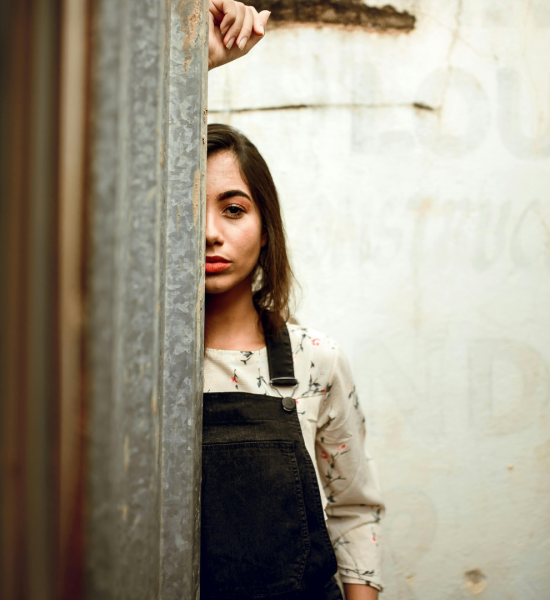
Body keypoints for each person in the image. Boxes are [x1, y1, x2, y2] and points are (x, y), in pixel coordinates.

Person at [203, 5, 385, 600]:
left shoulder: (316, 361)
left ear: (265, 228)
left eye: (233, 209)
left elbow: (354, 511)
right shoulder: (132, 369)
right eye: (189, 209)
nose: (210, 233)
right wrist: (196, 63)